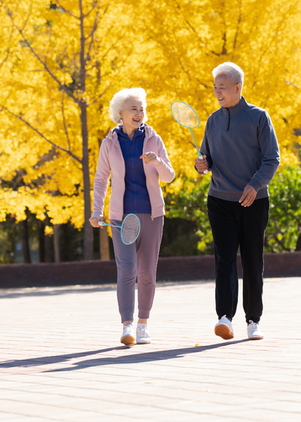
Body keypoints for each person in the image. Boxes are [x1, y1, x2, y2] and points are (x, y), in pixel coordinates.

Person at [194, 62, 280, 341]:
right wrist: (201, 165)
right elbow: (207, 161)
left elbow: (272, 159)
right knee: (225, 259)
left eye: (222, 87)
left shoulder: (259, 117)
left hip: (254, 201)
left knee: (253, 260)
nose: (217, 92)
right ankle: (224, 318)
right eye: (215, 88)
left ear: (238, 87)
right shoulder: (212, 120)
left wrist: (255, 186)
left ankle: (253, 321)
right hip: (219, 200)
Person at [90, 88, 175, 346]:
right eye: (133, 109)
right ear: (120, 114)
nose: (139, 113)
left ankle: (143, 325)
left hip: (151, 215)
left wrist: (157, 162)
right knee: (127, 270)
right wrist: (97, 211)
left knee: (147, 272)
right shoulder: (109, 143)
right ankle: (126, 325)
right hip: (120, 217)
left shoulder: (153, 139)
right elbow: (101, 179)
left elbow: (169, 176)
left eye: (142, 109)